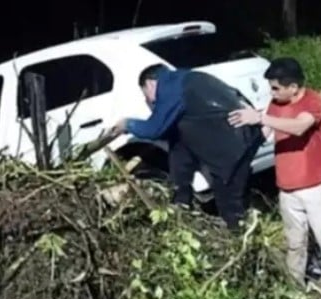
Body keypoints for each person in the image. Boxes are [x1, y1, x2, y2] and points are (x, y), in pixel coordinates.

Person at [229, 58, 321, 299]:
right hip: (287, 189)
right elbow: (264, 133)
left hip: (316, 190)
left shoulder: (314, 102)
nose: (272, 93)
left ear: (293, 87)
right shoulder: (276, 104)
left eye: (276, 88)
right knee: (295, 245)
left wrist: (260, 118)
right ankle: (294, 293)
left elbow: (298, 127)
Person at [111, 64, 262, 227]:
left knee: (229, 199)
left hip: (231, 143)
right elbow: (172, 132)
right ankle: (181, 201)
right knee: (178, 145)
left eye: (145, 94)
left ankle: (238, 231)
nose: (149, 100)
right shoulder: (187, 78)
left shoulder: (169, 88)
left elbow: (154, 129)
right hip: (240, 135)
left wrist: (127, 124)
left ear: (150, 84)